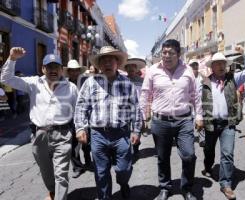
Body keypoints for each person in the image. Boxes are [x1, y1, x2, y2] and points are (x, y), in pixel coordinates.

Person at [0, 47, 78, 200]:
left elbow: (79, 111)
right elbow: (5, 79)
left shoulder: (71, 88)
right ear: (43, 69)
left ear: (62, 70)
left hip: (63, 134)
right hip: (39, 134)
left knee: (61, 173)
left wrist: (81, 130)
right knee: (46, 170)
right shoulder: (33, 83)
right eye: (49, 67)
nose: (53, 70)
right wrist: (12, 59)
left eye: (56, 67)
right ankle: (53, 191)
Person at [74, 46, 142, 199]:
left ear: (117, 63)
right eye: (103, 60)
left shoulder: (127, 83)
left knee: (123, 170)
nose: (107, 63)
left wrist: (136, 130)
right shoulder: (90, 83)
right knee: (101, 172)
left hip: (121, 134)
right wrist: (80, 128)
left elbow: (136, 108)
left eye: (111, 60)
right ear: (99, 65)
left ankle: (123, 183)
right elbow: (80, 107)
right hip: (98, 134)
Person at [140, 39, 203, 200]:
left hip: (184, 120)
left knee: (189, 155)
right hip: (160, 121)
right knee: (162, 157)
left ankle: (187, 188)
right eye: (164, 53)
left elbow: (195, 95)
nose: (166, 56)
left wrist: (200, 116)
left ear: (178, 54)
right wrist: (143, 114)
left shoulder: (188, 70)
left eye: (170, 53)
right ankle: (165, 187)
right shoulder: (153, 70)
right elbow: (145, 94)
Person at [201, 46, 245, 200]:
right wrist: (198, 118)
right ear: (212, 66)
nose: (221, 66)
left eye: (223, 63)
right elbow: (198, 101)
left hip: (227, 124)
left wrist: (244, 52)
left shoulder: (233, 79)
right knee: (209, 151)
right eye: (217, 63)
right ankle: (208, 166)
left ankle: (226, 184)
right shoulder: (205, 81)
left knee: (227, 154)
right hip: (210, 123)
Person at [63, 59, 93, 178]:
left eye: (76, 71)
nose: (74, 73)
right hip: (70, 118)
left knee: (86, 142)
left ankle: (88, 161)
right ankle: (77, 167)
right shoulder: (64, 85)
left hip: (86, 116)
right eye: (72, 71)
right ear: (69, 72)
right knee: (72, 144)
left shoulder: (85, 81)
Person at [124, 58, 146, 156]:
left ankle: (136, 146)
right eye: (129, 68)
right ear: (126, 69)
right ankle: (128, 148)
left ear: (136, 69)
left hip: (139, 109)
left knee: (138, 129)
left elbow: (145, 96)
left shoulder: (142, 81)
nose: (131, 70)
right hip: (126, 110)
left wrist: (145, 113)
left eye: (133, 68)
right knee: (127, 130)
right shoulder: (123, 80)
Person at [189, 58, 205, 147]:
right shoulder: (187, 77)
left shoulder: (202, 77)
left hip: (200, 103)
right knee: (189, 121)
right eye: (192, 66)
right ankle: (189, 138)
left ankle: (202, 138)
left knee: (200, 119)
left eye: (196, 66)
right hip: (189, 104)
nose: (194, 67)